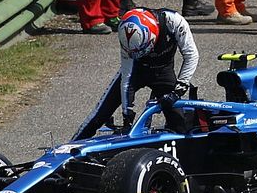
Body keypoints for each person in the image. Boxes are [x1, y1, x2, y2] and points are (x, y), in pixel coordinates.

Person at [72, 8, 198, 140]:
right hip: (135, 70)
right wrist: (127, 115)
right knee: (100, 114)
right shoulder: (126, 30)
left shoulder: (174, 21)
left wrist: (179, 89)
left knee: (179, 125)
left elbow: (191, 55)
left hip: (163, 72)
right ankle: (71, 146)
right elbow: (127, 77)